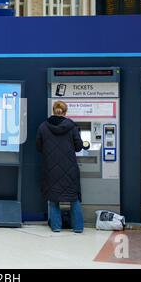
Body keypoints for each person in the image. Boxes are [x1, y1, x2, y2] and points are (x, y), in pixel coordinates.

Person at [36, 100, 85, 233]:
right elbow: (79, 147)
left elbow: (38, 147)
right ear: (65, 111)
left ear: (53, 110)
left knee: (54, 198)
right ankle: (78, 228)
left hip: (51, 168)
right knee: (73, 198)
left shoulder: (43, 127)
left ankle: (56, 227)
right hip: (69, 168)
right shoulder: (72, 126)